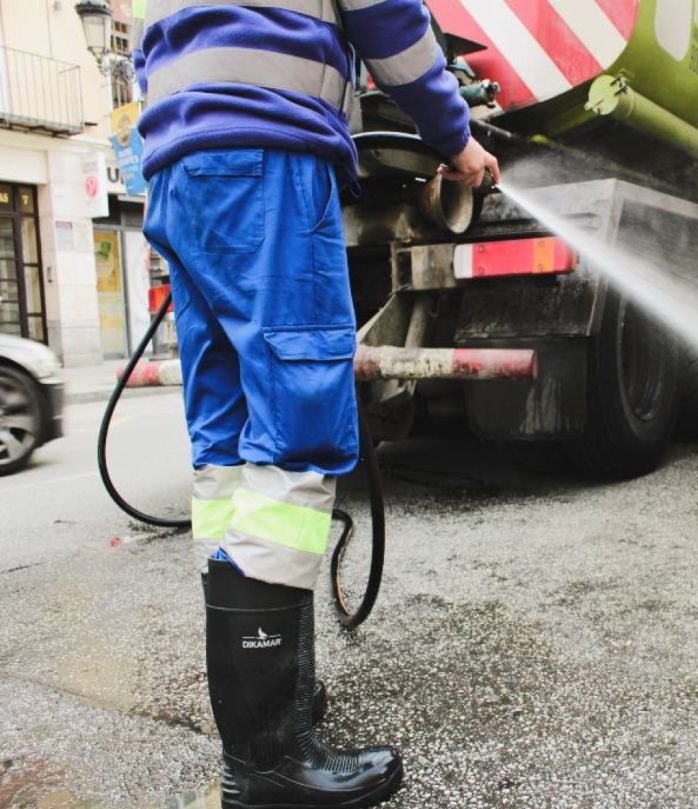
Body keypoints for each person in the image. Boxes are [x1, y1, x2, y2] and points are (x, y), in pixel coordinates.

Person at [135, 2, 499, 806]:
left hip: (176, 167)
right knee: (295, 439)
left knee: (227, 449)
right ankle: (268, 758)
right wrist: (457, 138)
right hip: (267, 159)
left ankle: (264, 706)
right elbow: (390, 21)